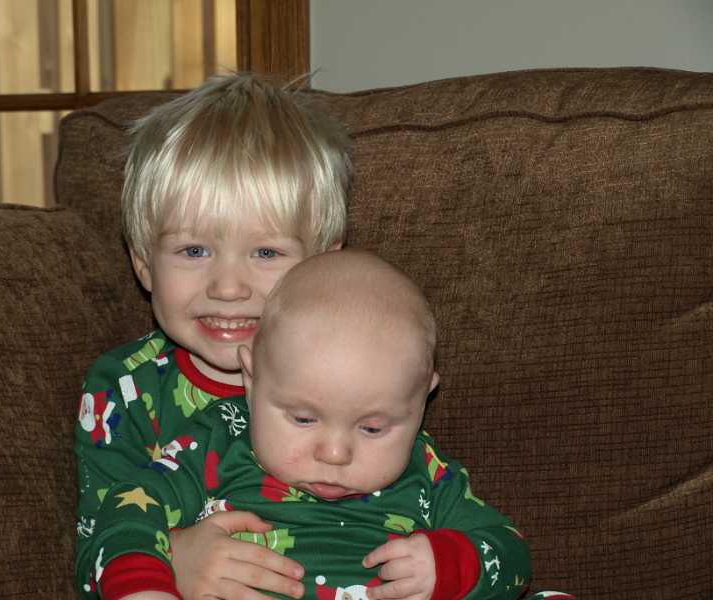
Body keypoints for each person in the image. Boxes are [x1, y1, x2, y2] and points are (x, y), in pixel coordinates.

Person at [86, 250, 535, 600]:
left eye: (372, 429)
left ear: (422, 398)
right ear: (251, 380)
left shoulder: (428, 470)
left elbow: (510, 552)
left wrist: (448, 568)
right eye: (303, 419)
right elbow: (125, 513)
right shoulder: (217, 440)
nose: (335, 454)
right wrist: (155, 581)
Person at [74, 73, 351, 600]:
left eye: (266, 252)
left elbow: (425, 493)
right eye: (194, 250)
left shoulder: (355, 368)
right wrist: (174, 557)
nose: (227, 287)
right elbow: (96, 546)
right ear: (143, 263)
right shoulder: (124, 391)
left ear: (323, 266)